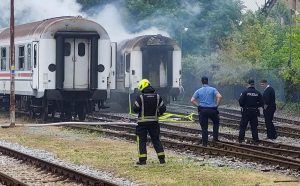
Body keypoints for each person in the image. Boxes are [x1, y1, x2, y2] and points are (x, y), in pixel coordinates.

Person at [133, 79, 166, 165]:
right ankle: (162, 159)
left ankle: (142, 160)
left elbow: (135, 109)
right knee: (156, 140)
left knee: (142, 141)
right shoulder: (157, 96)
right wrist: (158, 113)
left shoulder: (140, 97)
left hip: (142, 123)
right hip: (154, 122)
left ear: (142, 86)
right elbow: (163, 108)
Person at [190, 76, 222, 147]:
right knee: (216, 122)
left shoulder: (198, 90)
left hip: (203, 110)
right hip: (212, 110)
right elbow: (219, 96)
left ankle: (205, 143)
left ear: (201, 82)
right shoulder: (213, 89)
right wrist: (216, 105)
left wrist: (198, 106)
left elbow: (192, 100)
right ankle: (215, 138)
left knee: (204, 128)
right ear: (208, 81)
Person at [238, 79, 264, 143]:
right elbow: (262, 103)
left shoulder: (245, 92)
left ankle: (241, 139)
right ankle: (255, 139)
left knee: (243, 126)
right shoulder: (258, 93)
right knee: (254, 126)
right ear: (254, 84)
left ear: (248, 84)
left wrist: (245, 105)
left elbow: (240, 102)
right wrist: (256, 106)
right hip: (254, 112)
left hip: (246, 111)